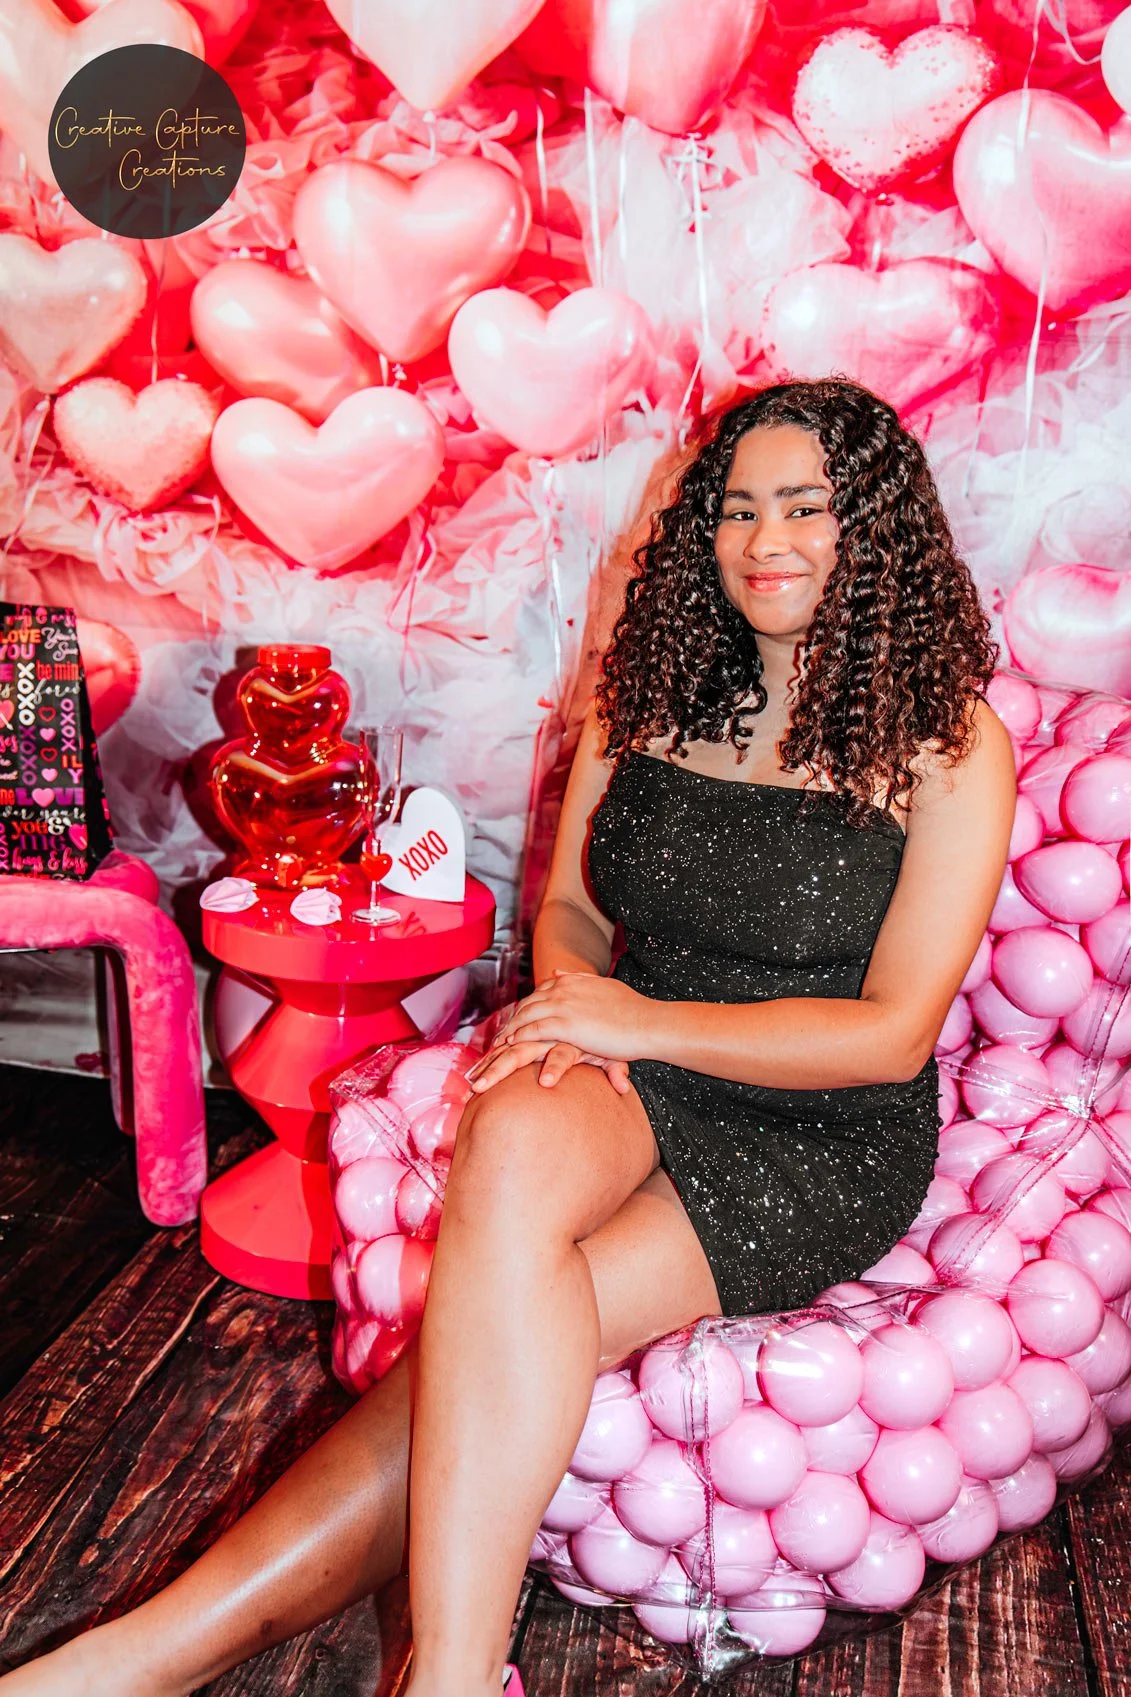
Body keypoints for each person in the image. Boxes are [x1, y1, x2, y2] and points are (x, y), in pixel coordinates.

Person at [0, 379, 1017, 1697]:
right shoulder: (646, 699)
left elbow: (889, 1036)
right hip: (634, 1060)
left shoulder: (944, 746)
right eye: (738, 509)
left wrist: (627, 1018)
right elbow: (576, 912)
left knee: (484, 1345)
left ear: (872, 530)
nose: (766, 538)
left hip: (813, 1129)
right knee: (515, 1132)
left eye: (807, 508)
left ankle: (174, 1662)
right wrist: (571, 1013)